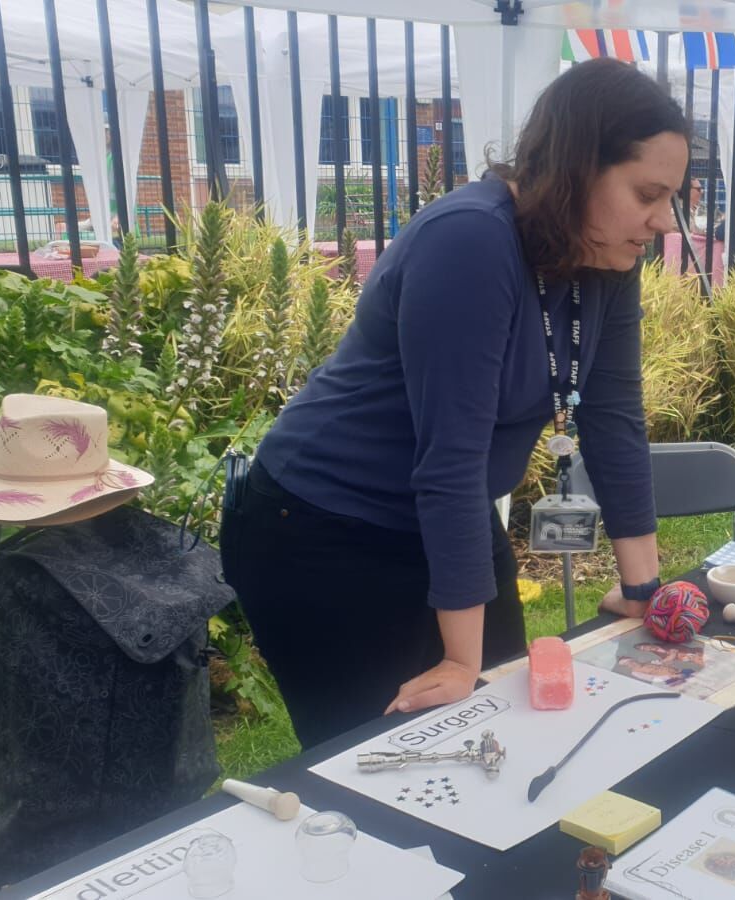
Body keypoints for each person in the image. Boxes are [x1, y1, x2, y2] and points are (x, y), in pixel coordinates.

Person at [220, 59, 690, 750]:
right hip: (323, 533)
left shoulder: (607, 252)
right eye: (648, 193)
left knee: (499, 736)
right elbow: (452, 455)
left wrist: (643, 590)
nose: (663, 221)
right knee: (389, 764)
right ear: (575, 166)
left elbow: (614, 418)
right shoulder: (470, 240)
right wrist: (461, 663)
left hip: (447, 515)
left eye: (671, 197)